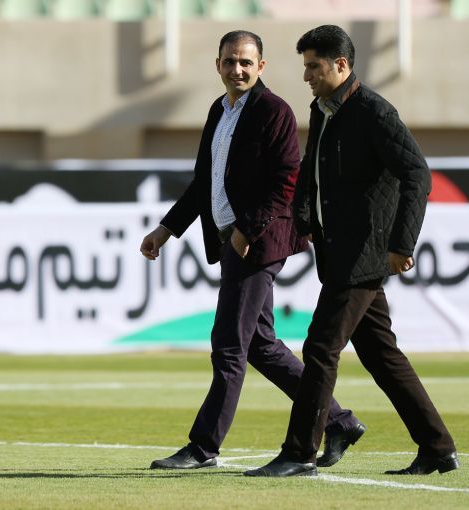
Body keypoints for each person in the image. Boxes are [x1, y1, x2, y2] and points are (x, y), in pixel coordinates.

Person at [141, 30, 365, 471]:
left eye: (246, 62)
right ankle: (338, 421)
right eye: (229, 61)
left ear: (261, 66)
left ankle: (203, 447)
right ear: (218, 65)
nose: (237, 69)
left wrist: (246, 231)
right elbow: (204, 182)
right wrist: (166, 230)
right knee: (261, 345)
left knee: (228, 344)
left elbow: (287, 181)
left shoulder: (274, 111)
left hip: (258, 242)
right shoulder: (218, 110)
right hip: (235, 239)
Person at [245, 25, 459, 478]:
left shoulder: (374, 112)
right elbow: (311, 171)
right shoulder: (324, 110)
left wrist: (401, 243)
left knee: (320, 348)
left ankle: (300, 453)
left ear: (341, 65)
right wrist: (304, 220)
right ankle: (437, 447)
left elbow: (417, 175)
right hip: (338, 252)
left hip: (363, 254)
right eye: (305, 66)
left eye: (314, 66)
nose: (306, 75)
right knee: (382, 355)